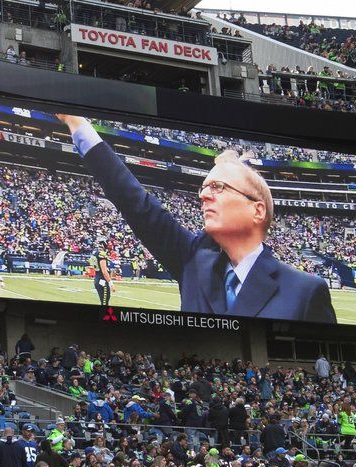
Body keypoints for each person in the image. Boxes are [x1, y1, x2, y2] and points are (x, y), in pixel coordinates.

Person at [56, 115, 336, 323]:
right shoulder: (192, 259)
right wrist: (76, 122)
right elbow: (134, 202)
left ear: (257, 210)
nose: (204, 195)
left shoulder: (306, 291)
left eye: (218, 187)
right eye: (203, 188)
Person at [93, 238, 115, 306]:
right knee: (105, 303)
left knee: (103, 302)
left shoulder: (95, 254)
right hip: (102, 280)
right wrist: (111, 284)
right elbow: (104, 271)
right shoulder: (101, 254)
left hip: (97, 278)